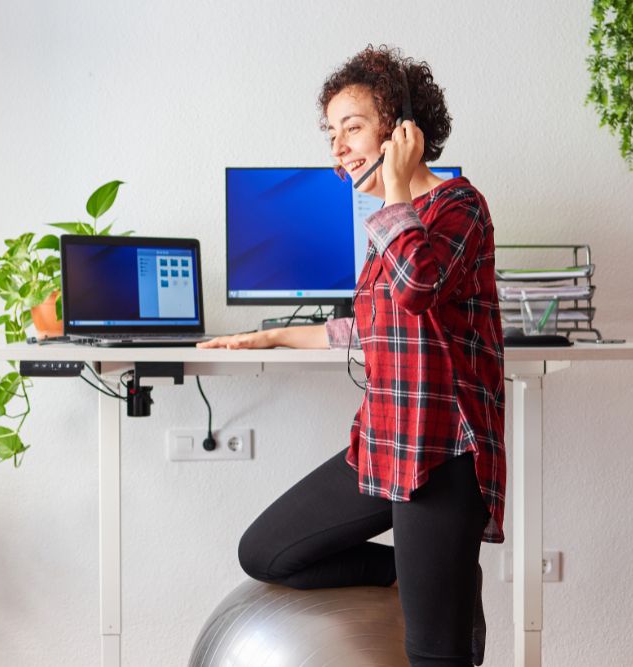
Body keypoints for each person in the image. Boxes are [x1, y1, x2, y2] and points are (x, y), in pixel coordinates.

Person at [198, 45, 505, 667]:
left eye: (354, 126)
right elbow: (371, 326)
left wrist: (394, 190)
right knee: (266, 552)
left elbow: (419, 289)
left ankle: (438, 582)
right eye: (330, 131)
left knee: (432, 658)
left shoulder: (458, 208)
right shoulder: (394, 224)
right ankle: (437, 576)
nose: (337, 146)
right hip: (383, 441)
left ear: (404, 131)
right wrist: (271, 336)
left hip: (441, 452)